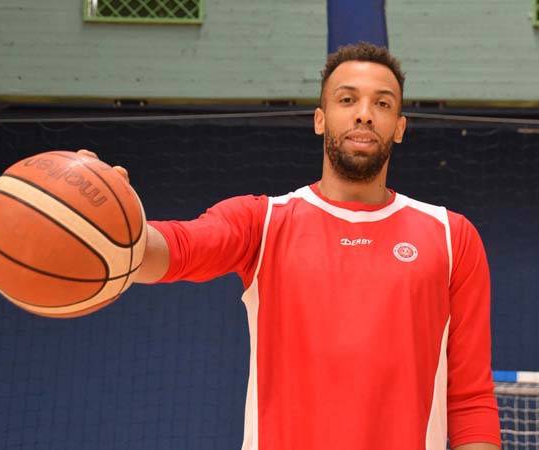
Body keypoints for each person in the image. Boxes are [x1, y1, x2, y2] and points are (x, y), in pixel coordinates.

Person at [82, 42, 501, 450]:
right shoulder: (262, 222)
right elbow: (171, 250)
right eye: (347, 99)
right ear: (320, 119)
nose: (364, 114)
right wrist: (112, 225)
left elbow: (470, 399)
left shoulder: (452, 236)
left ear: (400, 127)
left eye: (382, 103)